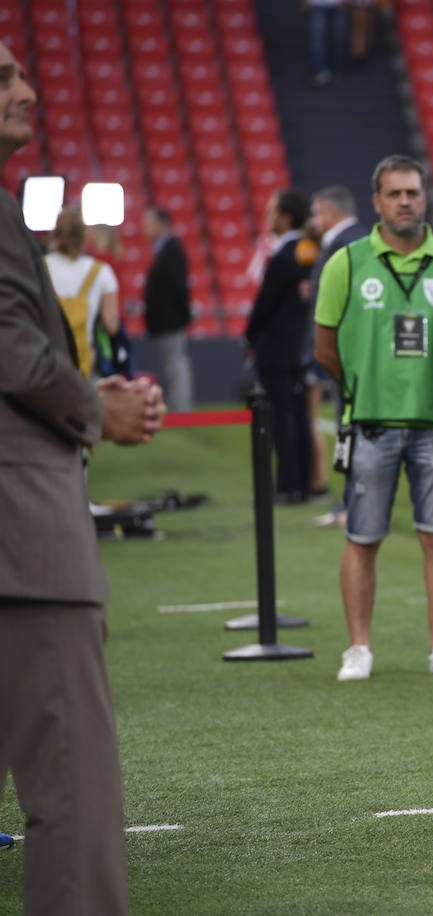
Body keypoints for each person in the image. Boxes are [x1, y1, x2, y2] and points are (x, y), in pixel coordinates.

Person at [0, 41, 167, 914]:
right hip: (22, 534)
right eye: (2, 77)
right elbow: (15, 352)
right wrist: (95, 408)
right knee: (74, 795)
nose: (26, 90)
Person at [314, 154, 433, 681]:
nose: (405, 201)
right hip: (372, 423)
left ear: (424, 196)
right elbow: (324, 347)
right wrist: (367, 386)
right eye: (395, 193)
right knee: (362, 537)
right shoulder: (347, 261)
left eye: (413, 191)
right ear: (377, 201)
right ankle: (358, 648)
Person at [306, 185, 369, 527]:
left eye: (317, 213)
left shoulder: (347, 243)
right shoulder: (354, 240)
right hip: (347, 355)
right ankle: (348, 501)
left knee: (351, 430)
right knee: (349, 429)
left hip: (348, 356)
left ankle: (350, 504)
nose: (315, 222)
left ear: (330, 211)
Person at [245, 188, 313, 504]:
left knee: (280, 419)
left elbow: (264, 305)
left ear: (285, 217)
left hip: (276, 350)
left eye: (272, 211)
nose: (268, 217)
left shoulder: (284, 256)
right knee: (297, 417)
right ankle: (301, 481)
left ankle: (287, 486)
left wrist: (249, 336)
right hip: (298, 348)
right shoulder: (307, 251)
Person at [44, 205, 120, 378]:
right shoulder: (101, 272)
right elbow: (112, 325)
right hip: (82, 364)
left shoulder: (40, 267)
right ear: (85, 236)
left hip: (46, 361)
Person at [141, 204, 194, 411]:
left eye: (149, 223)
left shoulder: (172, 250)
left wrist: (181, 316)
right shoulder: (165, 250)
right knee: (171, 366)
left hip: (171, 321)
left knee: (175, 367)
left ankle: (181, 409)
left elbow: (179, 287)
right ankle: (178, 406)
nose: (145, 228)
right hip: (166, 322)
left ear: (162, 224)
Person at [306, 0, 347, 87]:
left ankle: (335, 70)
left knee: (338, 38)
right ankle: (321, 72)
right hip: (317, 3)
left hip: (339, 3)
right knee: (317, 39)